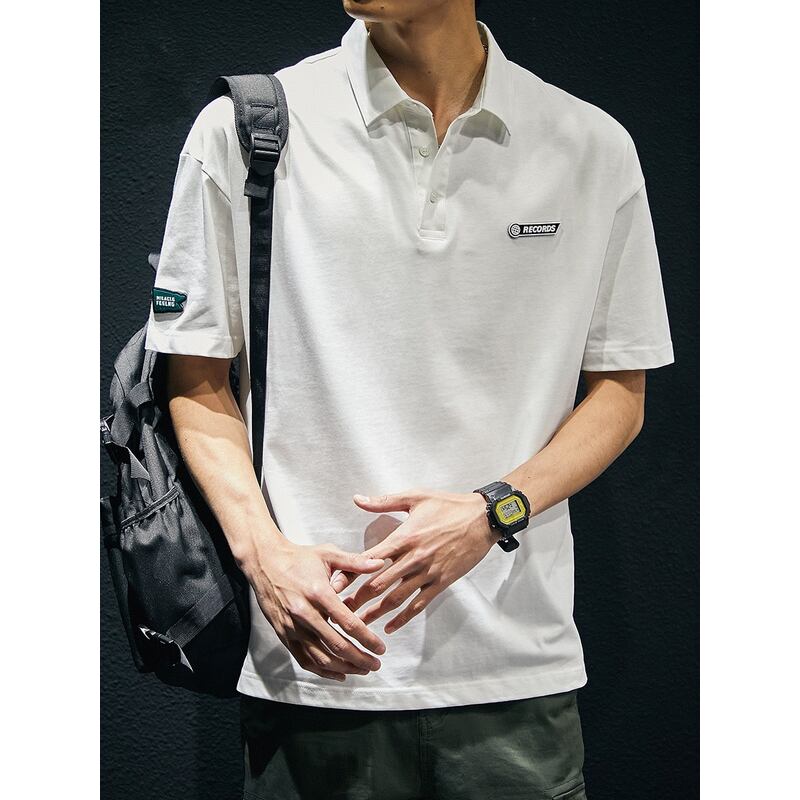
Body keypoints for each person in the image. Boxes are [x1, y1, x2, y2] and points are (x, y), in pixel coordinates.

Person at [144, 0, 673, 797]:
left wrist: (492, 510)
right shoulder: (245, 131)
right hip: (314, 672)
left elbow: (620, 394)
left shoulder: (591, 146)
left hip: (515, 672)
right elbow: (195, 380)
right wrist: (266, 557)